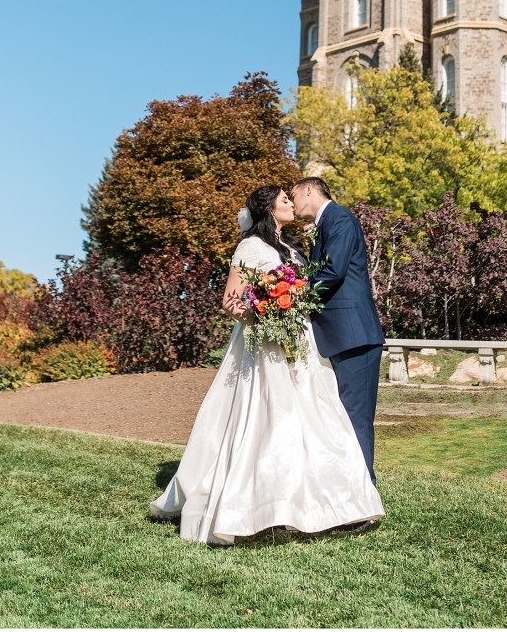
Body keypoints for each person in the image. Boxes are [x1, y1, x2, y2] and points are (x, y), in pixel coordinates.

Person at [149, 184, 383, 545]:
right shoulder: (250, 247)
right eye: (284, 199)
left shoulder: (291, 248)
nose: (291, 202)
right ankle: (257, 505)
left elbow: (308, 286)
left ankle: (328, 503)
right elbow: (230, 300)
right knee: (268, 423)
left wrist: (286, 309)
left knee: (317, 422)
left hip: (301, 346)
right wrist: (262, 315)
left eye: (292, 197)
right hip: (265, 349)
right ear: (269, 208)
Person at [290, 177, 385, 486]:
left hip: (355, 334)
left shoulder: (340, 217)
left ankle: (364, 493)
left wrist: (291, 295)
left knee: (356, 418)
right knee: (343, 416)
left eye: (293, 196)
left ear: (309, 189)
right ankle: (350, 491)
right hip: (340, 336)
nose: (292, 204)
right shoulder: (326, 223)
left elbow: (334, 271)